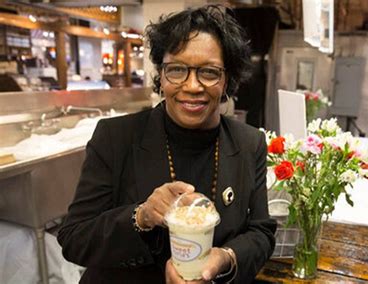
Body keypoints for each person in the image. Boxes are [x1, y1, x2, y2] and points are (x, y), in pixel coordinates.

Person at [57, 5, 276, 283]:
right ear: (161, 75)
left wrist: (225, 258)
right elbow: (74, 238)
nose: (193, 85)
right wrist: (142, 216)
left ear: (226, 80)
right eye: (177, 70)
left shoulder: (249, 143)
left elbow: (261, 232)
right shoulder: (116, 137)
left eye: (208, 72)